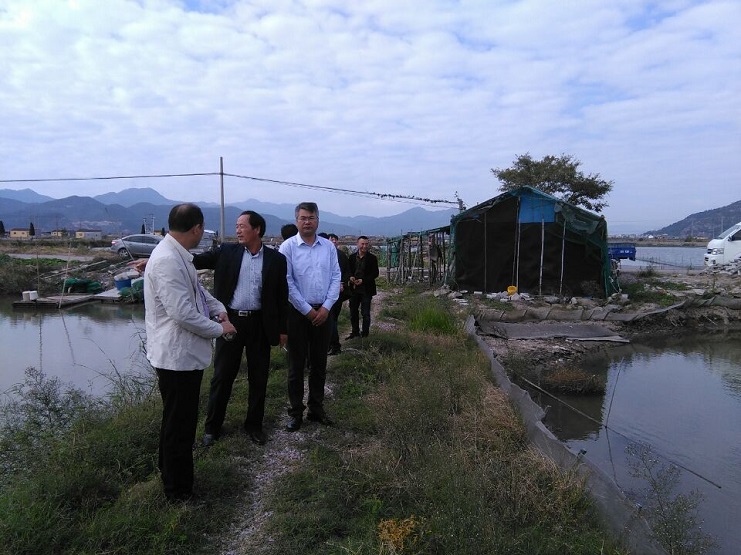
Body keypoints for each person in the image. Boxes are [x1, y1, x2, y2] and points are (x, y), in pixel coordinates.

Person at [144, 203, 236, 502]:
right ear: (196, 228)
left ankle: (169, 473)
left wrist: (218, 309)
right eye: (202, 229)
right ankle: (178, 492)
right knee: (180, 425)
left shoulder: (178, 255)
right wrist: (220, 329)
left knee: (176, 420)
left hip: (183, 355)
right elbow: (182, 313)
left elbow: (199, 293)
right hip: (175, 357)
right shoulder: (167, 260)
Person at [193, 210, 288, 446]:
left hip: (260, 324)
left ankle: (254, 425)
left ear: (257, 229)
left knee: (259, 378)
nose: (237, 230)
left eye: (242, 226)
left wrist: (282, 329)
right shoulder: (226, 252)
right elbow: (194, 260)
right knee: (222, 376)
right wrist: (158, 261)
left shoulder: (276, 260)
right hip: (230, 321)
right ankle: (212, 428)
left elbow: (281, 297)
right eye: (236, 226)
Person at [279, 202, 340, 431]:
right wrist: (307, 310)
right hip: (297, 314)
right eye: (303, 218)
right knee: (296, 366)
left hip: (324, 313)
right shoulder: (287, 247)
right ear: (296, 220)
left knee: (319, 364)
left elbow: (336, 277)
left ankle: (316, 407)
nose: (307, 222)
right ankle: (295, 412)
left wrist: (326, 307)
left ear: (317, 220)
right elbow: (287, 281)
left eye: (311, 218)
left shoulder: (328, 247)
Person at [347, 235, 380, 339]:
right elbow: (348, 271)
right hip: (354, 289)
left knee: (365, 313)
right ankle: (355, 332)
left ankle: (365, 334)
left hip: (366, 289)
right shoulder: (352, 257)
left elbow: (375, 273)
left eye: (366, 244)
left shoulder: (372, 258)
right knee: (353, 312)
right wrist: (351, 277)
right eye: (362, 244)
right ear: (357, 244)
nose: (364, 246)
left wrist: (363, 280)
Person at [322, 233, 350, 355]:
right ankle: (331, 345)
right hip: (333, 292)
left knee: (331, 319)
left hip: (332, 293)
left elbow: (344, 272)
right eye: (331, 239)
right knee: (332, 319)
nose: (333, 242)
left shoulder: (335, 255)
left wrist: (340, 283)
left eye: (334, 240)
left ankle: (334, 346)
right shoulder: (334, 254)